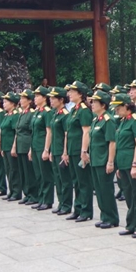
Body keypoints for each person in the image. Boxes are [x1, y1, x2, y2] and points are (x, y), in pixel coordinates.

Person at [112, 93, 136, 237]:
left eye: (118, 107)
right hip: (123, 163)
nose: (116, 110)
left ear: (127, 106)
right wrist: (119, 166)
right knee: (128, 194)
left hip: (133, 164)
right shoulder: (123, 121)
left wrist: (135, 164)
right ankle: (130, 224)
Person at [89, 89, 119, 228]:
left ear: (103, 105)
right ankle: (104, 215)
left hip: (104, 160)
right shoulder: (96, 119)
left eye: (95, 102)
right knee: (99, 190)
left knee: (106, 190)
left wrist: (110, 162)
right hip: (95, 160)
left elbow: (112, 143)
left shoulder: (108, 120)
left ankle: (112, 218)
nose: (92, 104)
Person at [66, 81, 94, 222]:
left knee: (83, 182)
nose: (69, 94)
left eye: (72, 91)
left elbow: (86, 131)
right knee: (76, 181)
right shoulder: (74, 110)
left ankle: (86, 210)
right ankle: (77, 208)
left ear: (80, 94)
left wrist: (84, 151)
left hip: (79, 150)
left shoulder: (83, 110)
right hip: (72, 149)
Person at [48, 87, 74, 215]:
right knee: (57, 178)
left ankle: (67, 204)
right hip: (55, 149)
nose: (51, 101)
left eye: (53, 98)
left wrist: (65, 152)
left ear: (61, 99)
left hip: (61, 150)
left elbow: (66, 135)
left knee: (64, 179)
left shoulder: (65, 115)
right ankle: (60, 202)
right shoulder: (55, 114)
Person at [30, 86, 54, 210]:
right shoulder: (37, 112)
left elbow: (49, 132)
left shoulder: (47, 112)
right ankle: (41, 198)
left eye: (37, 96)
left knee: (45, 174)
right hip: (35, 146)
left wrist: (46, 149)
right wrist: (30, 149)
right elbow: (33, 132)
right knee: (38, 174)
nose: (35, 98)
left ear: (44, 98)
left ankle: (47, 200)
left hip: (42, 146)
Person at [13, 90, 36, 205]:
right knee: (22, 171)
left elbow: (32, 132)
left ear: (29, 101)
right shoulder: (22, 113)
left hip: (27, 145)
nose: (21, 100)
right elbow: (17, 131)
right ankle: (26, 193)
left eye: (23, 98)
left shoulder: (31, 113)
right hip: (20, 145)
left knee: (29, 172)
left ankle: (33, 194)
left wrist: (31, 148)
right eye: (21, 98)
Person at [0, 93, 20, 201]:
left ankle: (16, 192)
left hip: (11, 145)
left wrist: (14, 146)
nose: (4, 104)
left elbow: (16, 132)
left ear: (13, 103)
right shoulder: (6, 115)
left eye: (6, 102)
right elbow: (2, 131)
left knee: (14, 169)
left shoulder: (15, 115)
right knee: (8, 169)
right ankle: (11, 190)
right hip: (5, 146)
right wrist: (0, 145)